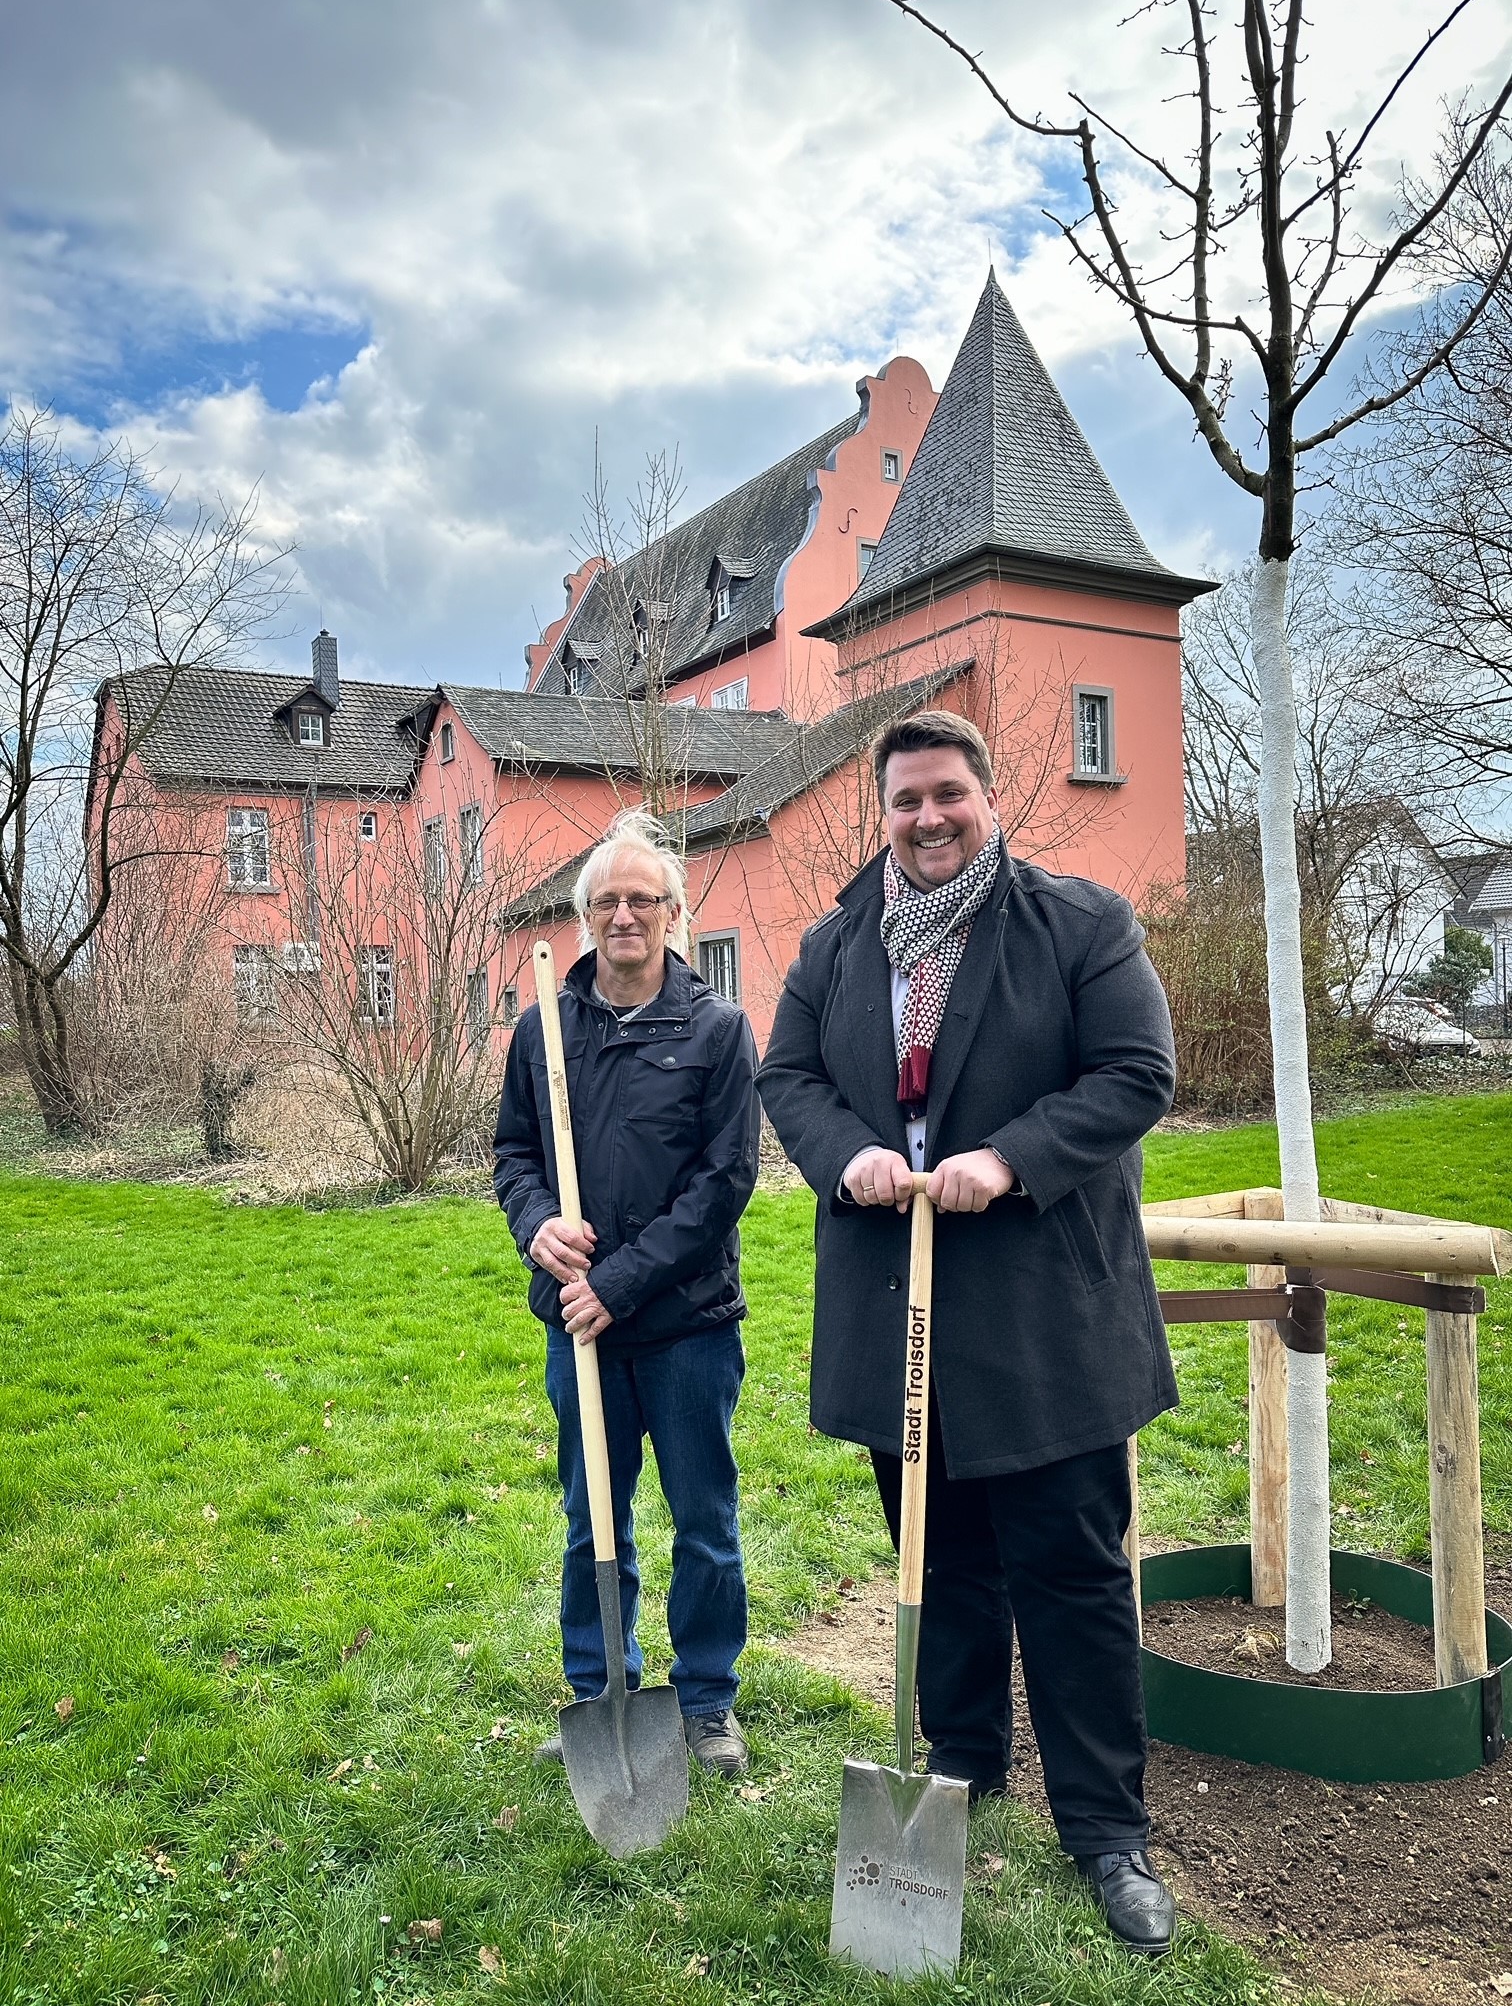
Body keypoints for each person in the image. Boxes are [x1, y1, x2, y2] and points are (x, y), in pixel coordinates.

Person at [757, 710, 1180, 1953]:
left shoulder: (1079, 925)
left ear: (988, 799)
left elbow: (1135, 1072)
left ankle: (1106, 1828)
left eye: (948, 795)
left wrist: (1010, 1156)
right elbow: (789, 1081)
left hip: (1045, 1309)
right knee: (934, 1561)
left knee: (1071, 1572)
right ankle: (963, 1761)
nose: (928, 818)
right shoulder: (836, 945)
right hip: (904, 1306)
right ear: (879, 813)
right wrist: (853, 1159)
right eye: (905, 801)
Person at [493, 809, 760, 1778]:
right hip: (580, 1333)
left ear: (674, 912)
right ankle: (601, 1690)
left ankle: (703, 1702)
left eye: (641, 900)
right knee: (593, 1516)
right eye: (605, 901)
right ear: (583, 917)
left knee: (705, 1519)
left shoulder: (719, 1032)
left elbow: (725, 1185)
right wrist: (537, 1228)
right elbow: (515, 1155)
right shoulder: (544, 1031)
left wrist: (619, 1281)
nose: (623, 917)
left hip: (686, 1327)